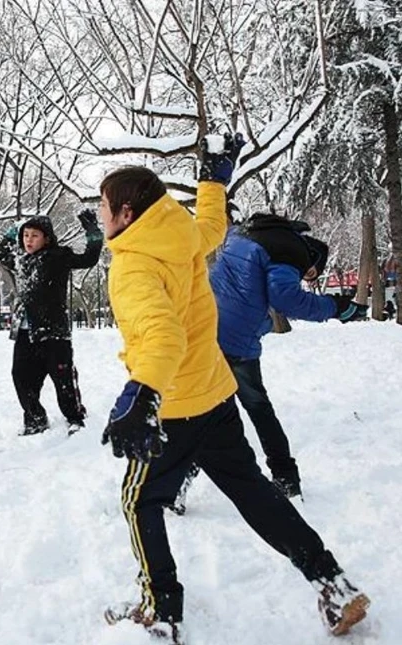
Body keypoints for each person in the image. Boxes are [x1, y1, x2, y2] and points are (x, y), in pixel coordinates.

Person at [97, 134, 369, 644]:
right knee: (253, 490)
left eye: (103, 209)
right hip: (216, 395)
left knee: (139, 502)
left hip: (174, 405)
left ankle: (159, 611)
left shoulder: (133, 263)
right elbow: (211, 226)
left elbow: (161, 334)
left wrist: (142, 394)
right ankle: (332, 582)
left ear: (127, 213)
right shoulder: (179, 235)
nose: (100, 217)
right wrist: (213, 180)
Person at [203, 213, 367, 499]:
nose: (307, 276)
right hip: (237, 340)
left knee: (202, 412)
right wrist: (335, 307)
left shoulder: (245, 233)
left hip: (204, 329)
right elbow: (287, 298)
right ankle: (286, 478)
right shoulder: (291, 252)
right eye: (311, 273)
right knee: (257, 408)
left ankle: (176, 482)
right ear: (312, 258)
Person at [0, 210, 103, 435]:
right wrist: (12, 231)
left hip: (53, 331)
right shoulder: (21, 261)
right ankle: (35, 419)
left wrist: (92, 230)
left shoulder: (58, 257)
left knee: (62, 379)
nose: (29, 240)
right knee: (22, 377)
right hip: (26, 332)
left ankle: (75, 417)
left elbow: (89, 258)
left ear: (46, 238)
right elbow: (2, 255)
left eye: (34, 235)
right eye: (25, 235)